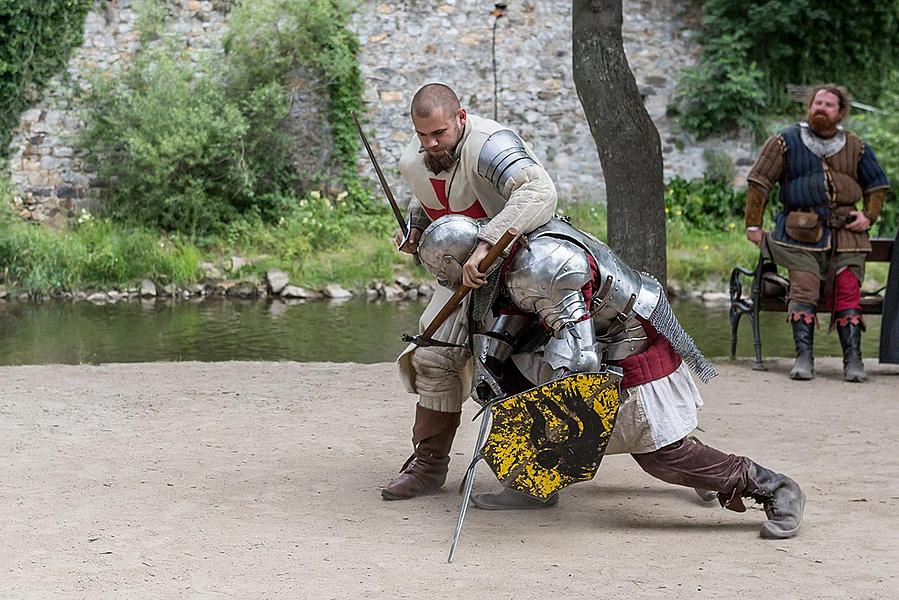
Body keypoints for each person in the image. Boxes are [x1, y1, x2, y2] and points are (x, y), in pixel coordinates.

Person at [414, 214, 806, 539]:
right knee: (512, 382)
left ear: (456, 259)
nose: (442, 278)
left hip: (623, 340)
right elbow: (515, 308)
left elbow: (580, 359)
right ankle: (531, 483)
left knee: (658, 454)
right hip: (593, 333)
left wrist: (557, 414)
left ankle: (770, 485)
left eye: (440, 269)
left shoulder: (540, 267)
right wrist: (491, 364)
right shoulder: (508, 253)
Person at [381, 83, 558, 501]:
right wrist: (417, 233)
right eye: (422, 135)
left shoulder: (489, 144)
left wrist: (487, 243)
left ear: (460, 118)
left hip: (524, 269)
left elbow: (538, 191)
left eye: (438, 133)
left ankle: (533, 478)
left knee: (517, 369)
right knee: (432, 356)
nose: (430, 143)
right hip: (467, 277)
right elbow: (430, 201)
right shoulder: (418, 156)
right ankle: (428, 466)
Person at [744, 83, 890, 382]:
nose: (820, 108)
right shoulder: (785, 141)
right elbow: (759, 181)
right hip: (799, 236)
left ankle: (853, 362)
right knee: (804, 287)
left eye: (828, 105)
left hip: (847, 235)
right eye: (817, 103)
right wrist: (753, 225)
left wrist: (869, 216)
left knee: (848, 289)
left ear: (840, 113)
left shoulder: (856, 145)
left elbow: (877, 185)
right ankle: (804, 358)